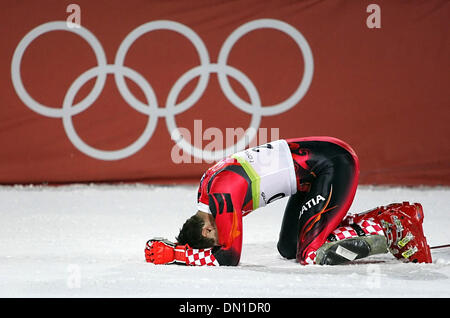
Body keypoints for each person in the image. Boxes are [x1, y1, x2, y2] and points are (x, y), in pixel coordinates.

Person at [145, 137, 432, 266]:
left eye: (215, 239)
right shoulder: (205, 193)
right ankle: (392, 214)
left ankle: (393, 227)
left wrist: (178, 255)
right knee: (289, 248)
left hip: (331, 164)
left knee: (312, 254)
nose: (223, 237)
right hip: (313, 173)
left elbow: (228, 258)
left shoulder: (221, 198)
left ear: (207, 230)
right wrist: (178, 247)